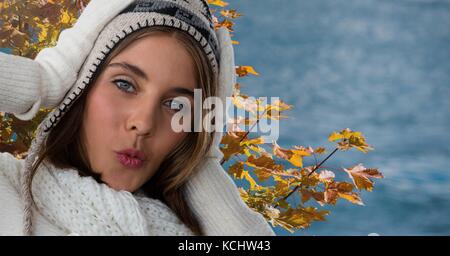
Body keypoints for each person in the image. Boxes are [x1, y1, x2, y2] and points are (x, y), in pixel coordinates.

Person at [0, 0, 275, 236]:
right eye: (125, 85)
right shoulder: (6, 189)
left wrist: (203, 158)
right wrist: (47, 78)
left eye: (176, 105)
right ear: (83, 86)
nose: (143, 124)